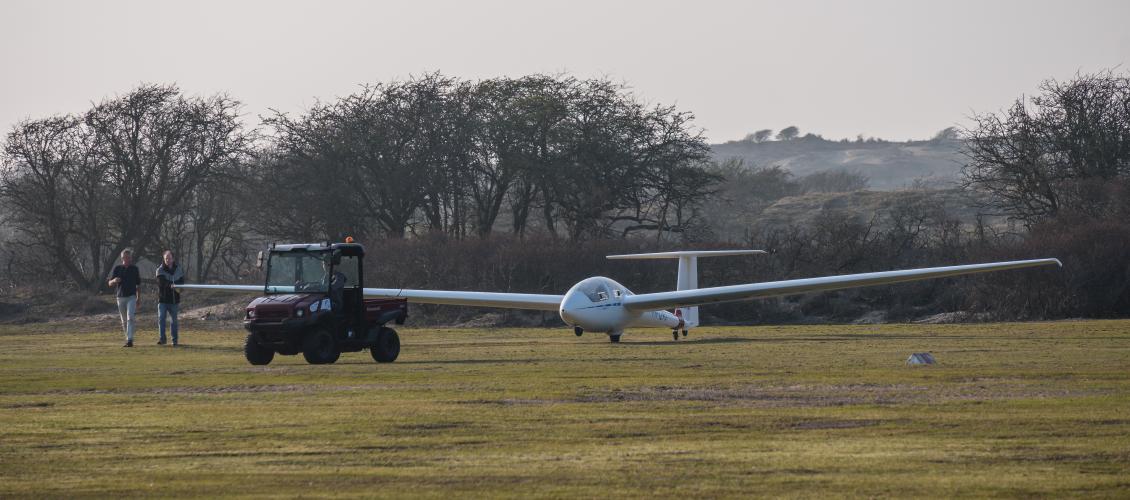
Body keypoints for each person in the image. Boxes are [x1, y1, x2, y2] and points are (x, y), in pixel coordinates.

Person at [108, 249, 141, 347]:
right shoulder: (117, 268)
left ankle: (130, 340)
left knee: (130, 317)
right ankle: (127, 338)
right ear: (122, 258)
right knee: (124, 320)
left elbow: (138, 285)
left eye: (129, 257)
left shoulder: (135, 269)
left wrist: (139, 298)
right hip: (120, 297)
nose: (127, 259)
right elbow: (109, 283)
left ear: (131, 258)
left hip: (131, 297)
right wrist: (114, 280)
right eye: (125, 257)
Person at [155, 250, 185, 346]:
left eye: (169, 258)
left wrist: (178, 287)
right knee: (161, 319)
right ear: (164, 259)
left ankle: (174, 340)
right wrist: (171, 285)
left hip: (174, 300)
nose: (168, 260)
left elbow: (182, 282)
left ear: (173, 259)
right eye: (166, 258)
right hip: (163, 300)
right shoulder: (159, 270)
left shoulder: (179, 269)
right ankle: (162, 339)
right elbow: (162, 283)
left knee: (174, 321)